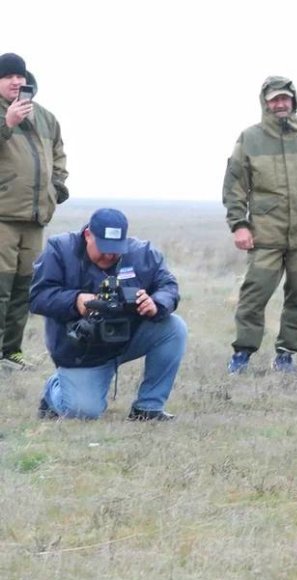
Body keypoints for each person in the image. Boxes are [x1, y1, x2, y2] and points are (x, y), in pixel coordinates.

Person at [223, 76, 297, 374]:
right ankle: (242, 353)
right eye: (275, 99)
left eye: (285, 98)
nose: (280, 104)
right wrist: (239, 224)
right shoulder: (250, 138)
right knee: (254, 294)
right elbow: (235, 185)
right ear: (265, 102)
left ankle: (286, 354)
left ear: (294, 100)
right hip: (266, 234)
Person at [29, 208, 186, 420]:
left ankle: (148, 408)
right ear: (87, 236)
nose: (109, 255)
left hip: (127, 338)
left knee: (174, 328)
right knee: (83, 412)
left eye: (115, 249)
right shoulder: (59, 249)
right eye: (103, 248)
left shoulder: (142, 254)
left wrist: (156, 303)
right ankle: (56, 387)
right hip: (82, 351)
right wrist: (75, 300)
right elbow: (37, 296)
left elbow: (168, 285)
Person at [0, 53, 68, 371]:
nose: (16, 81)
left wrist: (56, 191)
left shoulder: (45, 117)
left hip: (34, 218)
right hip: (2, 216)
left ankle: (10, 351)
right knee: (0, 286)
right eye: (8, 76)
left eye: (20, 75)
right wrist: (7, 124)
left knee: (23, 287)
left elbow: (59, 158)